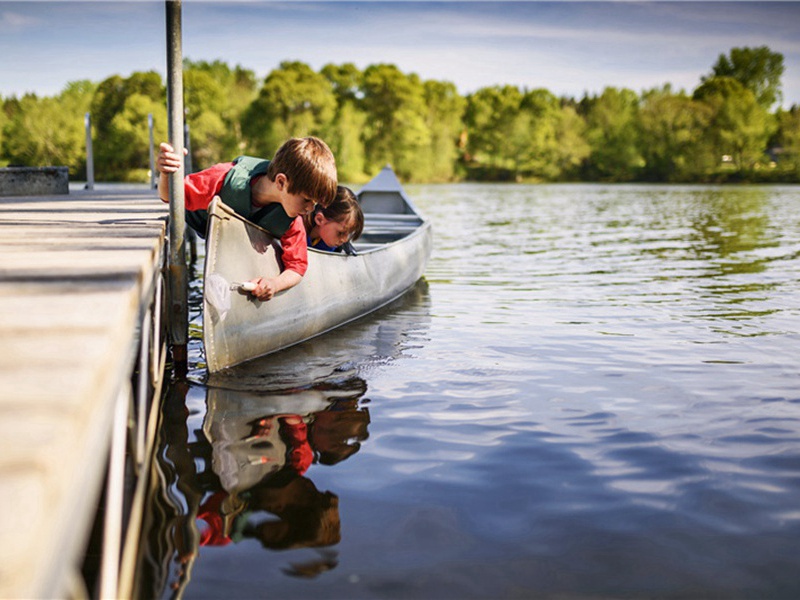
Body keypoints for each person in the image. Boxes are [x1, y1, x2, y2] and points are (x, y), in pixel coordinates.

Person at [156, 137, 338, 300]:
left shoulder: (292, 219)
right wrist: (166, 172)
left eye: (314, 204)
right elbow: (169, 196)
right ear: (281, 182)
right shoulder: (222, 177)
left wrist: (274, 284)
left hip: (239, 235)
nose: (310, 210)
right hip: (200, 220)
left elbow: (297, 267)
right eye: (307, 200)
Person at [303, 185, 364, 255]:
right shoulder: (293, 234)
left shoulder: (329, 243)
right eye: (341, 233)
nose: (344, 240)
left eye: (349, 233)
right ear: (319, 219)